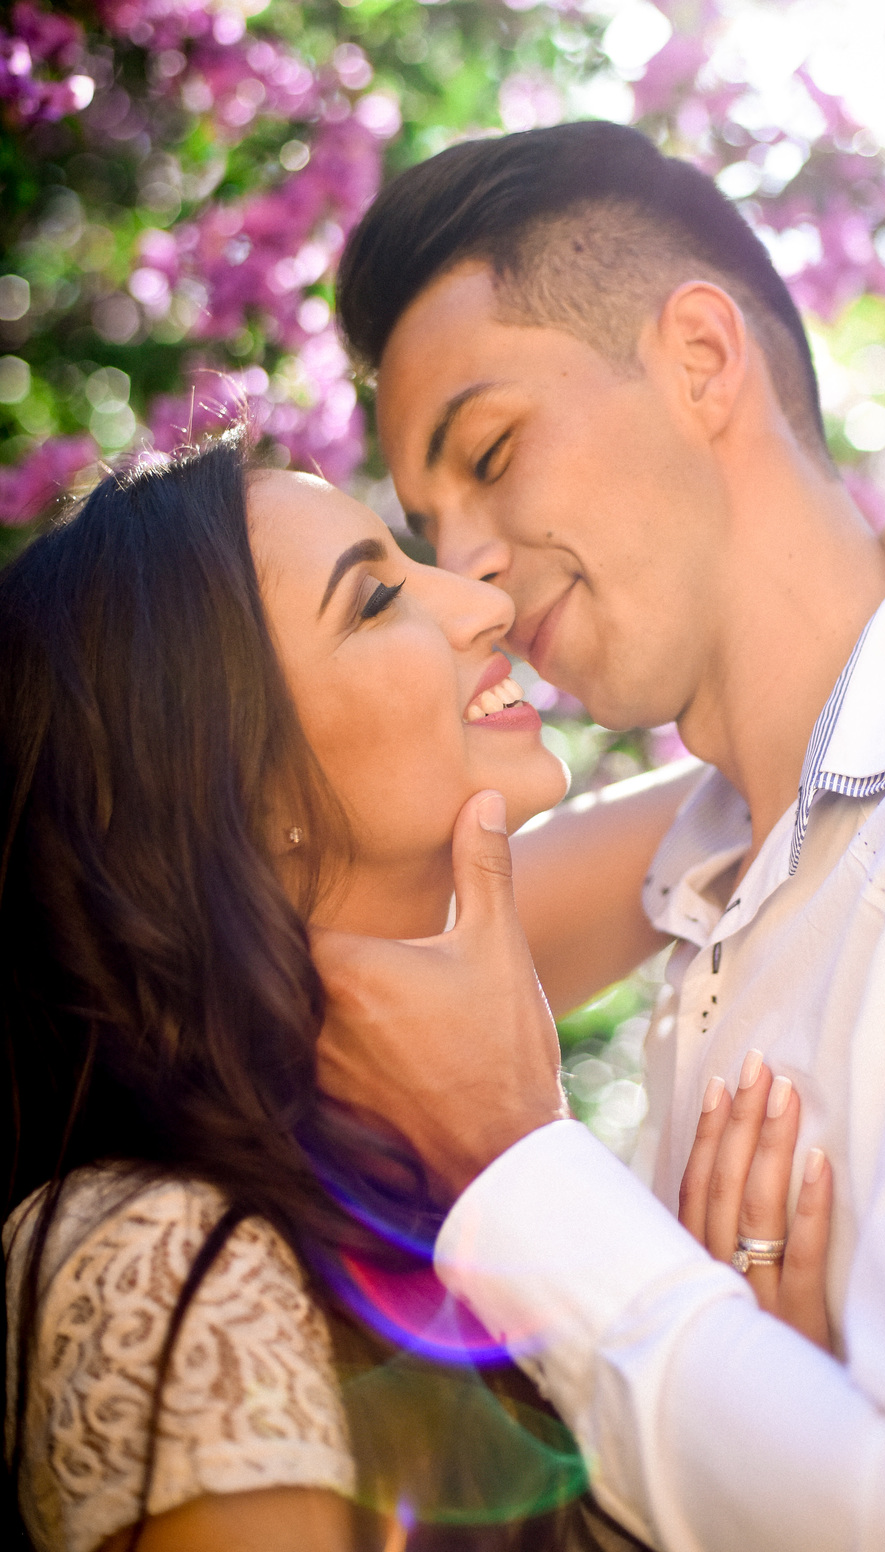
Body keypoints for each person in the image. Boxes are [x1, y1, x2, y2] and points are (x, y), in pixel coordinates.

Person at [316, 120, 885, 1551]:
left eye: (490, 451)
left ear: (704, 360)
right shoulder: (732, 874)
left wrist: (525, 1172)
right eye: (424, 524)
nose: (463, 560)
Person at [1, 435, 672, 1552]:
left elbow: (780, 765)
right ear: (239, 791)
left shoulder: (385, 1090)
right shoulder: (161, 1255)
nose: (479, 604)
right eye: (374, 602)